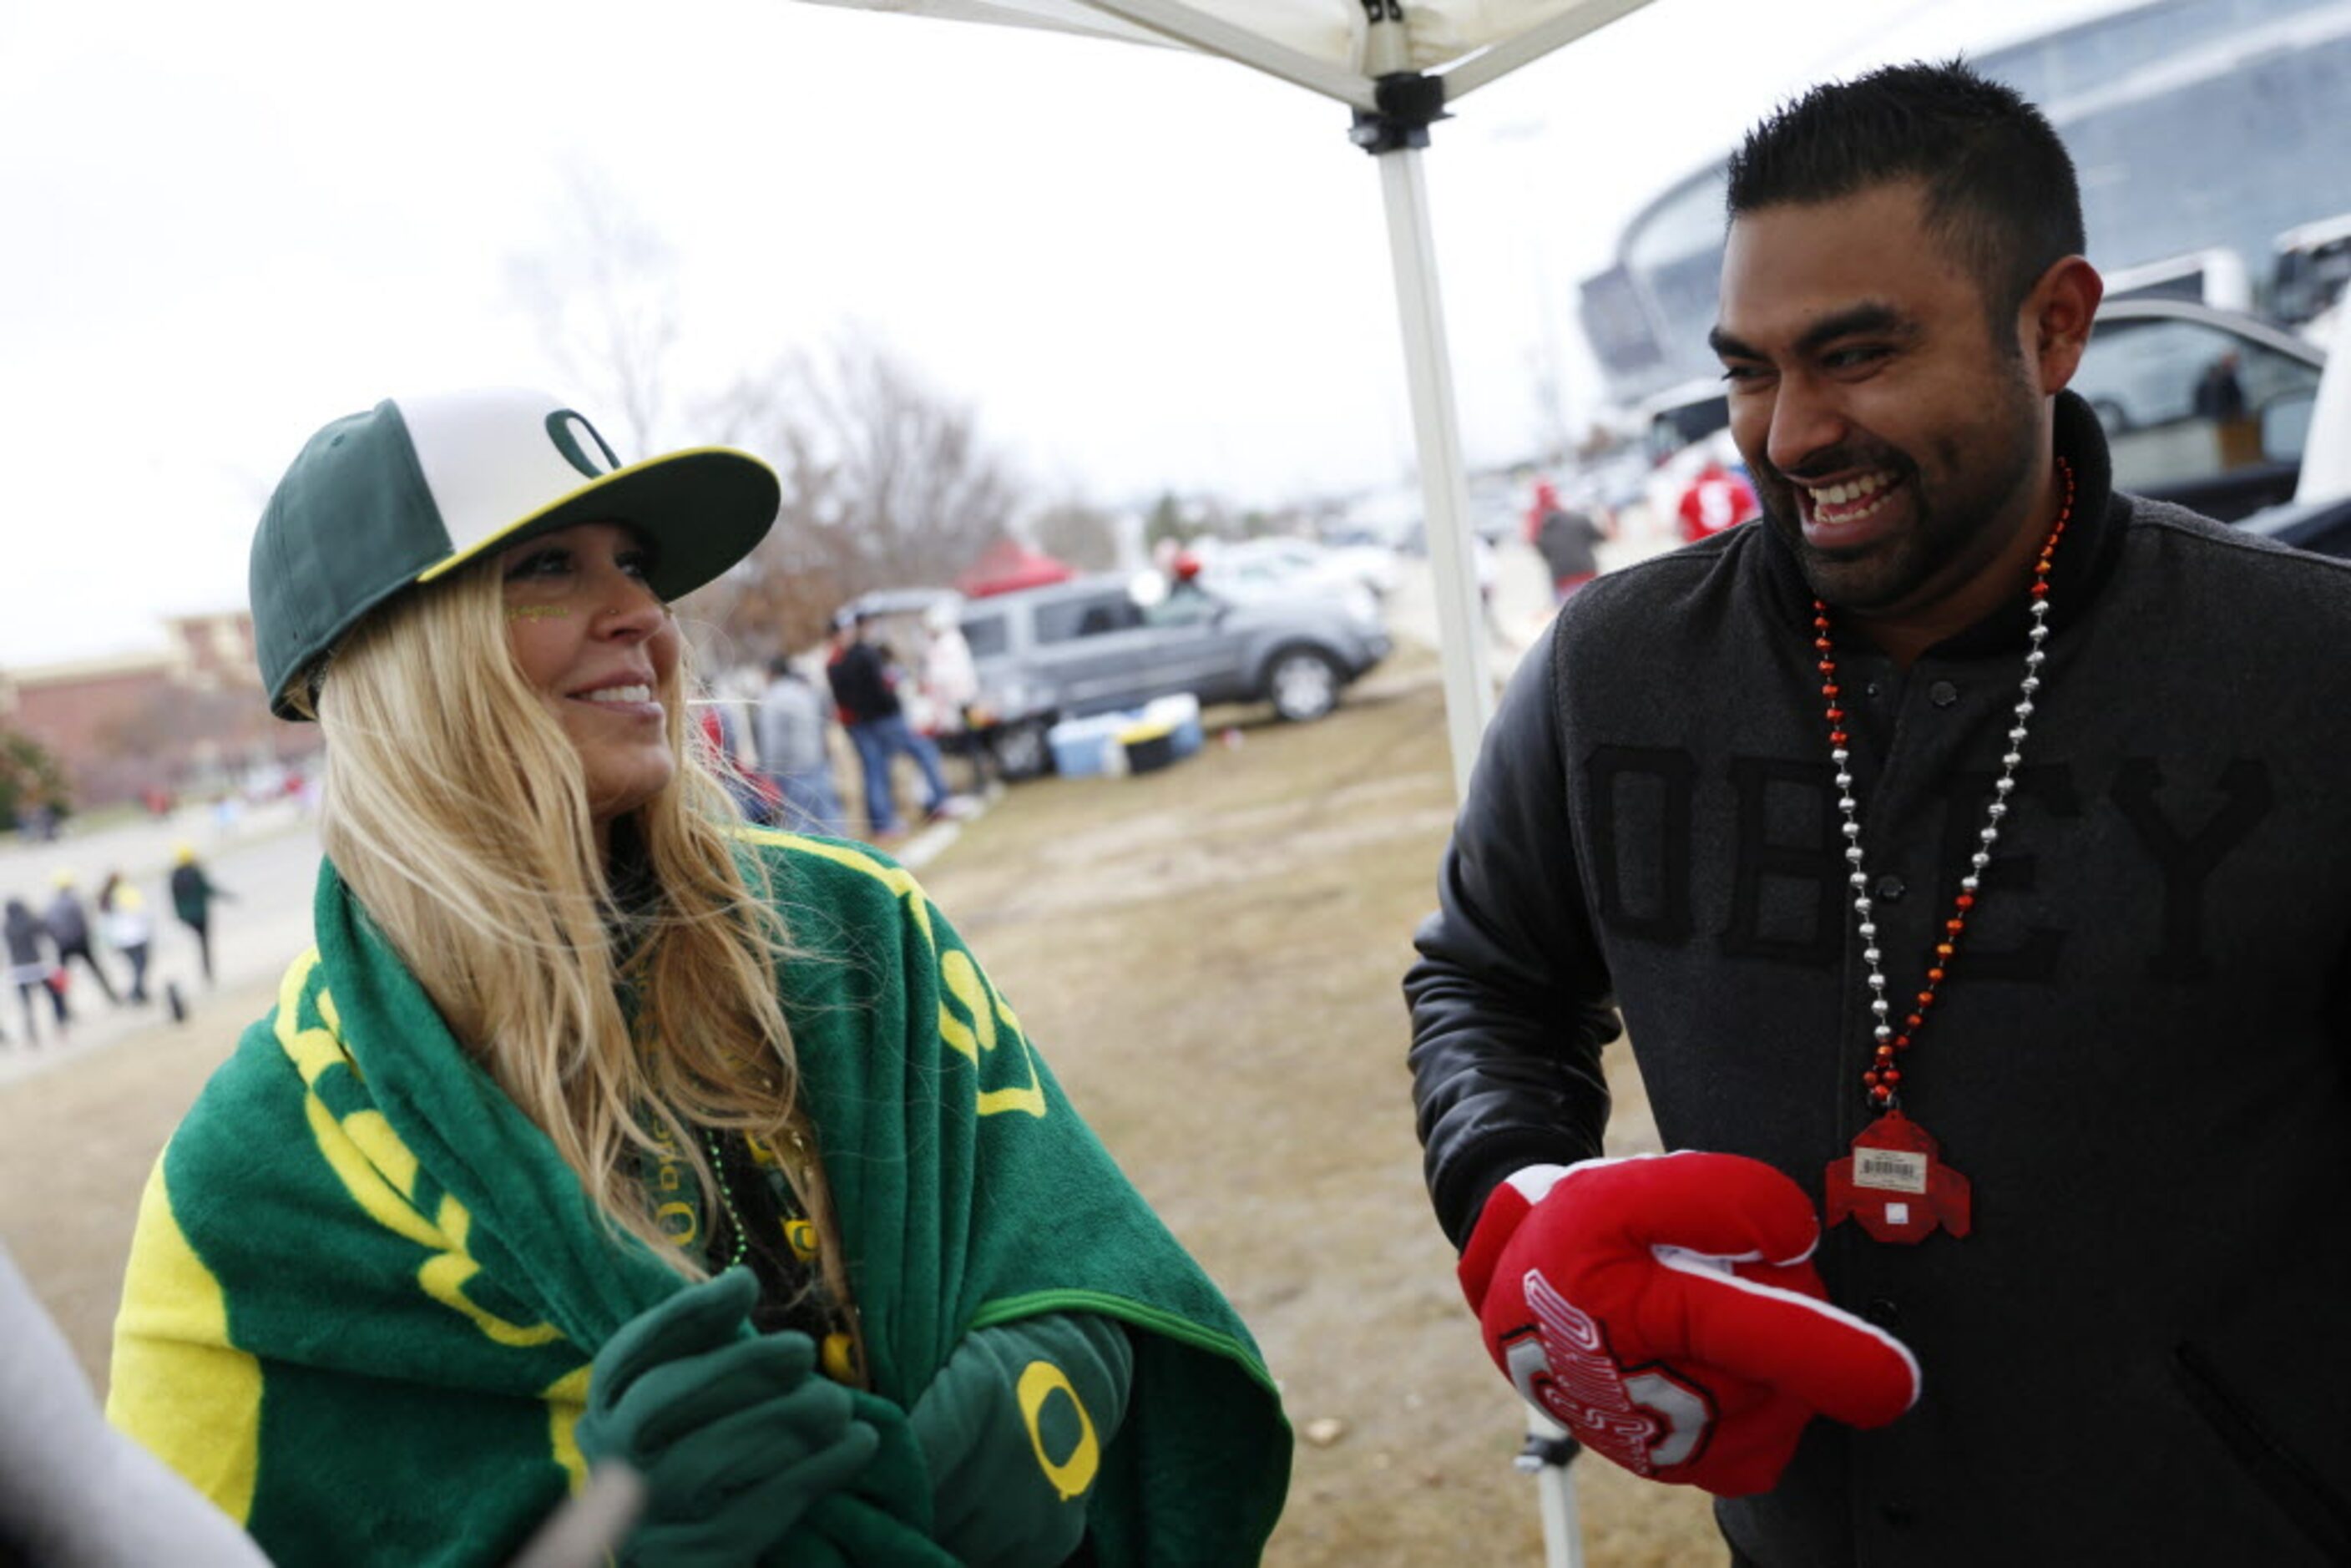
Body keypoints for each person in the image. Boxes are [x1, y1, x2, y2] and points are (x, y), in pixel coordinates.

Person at [1407, 62, 2351, 1565]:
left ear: (2053, 326)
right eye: (1748, 368)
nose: (1787, 434)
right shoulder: (1612, 670)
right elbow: (1487, 979)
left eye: (1853, 355)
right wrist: (1519, 1197)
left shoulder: (2309, 672)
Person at [107, 387, 1289, 1566]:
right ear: (395, 658)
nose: (642, 614)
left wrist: (1010, 1409)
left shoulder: (853, 924)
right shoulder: (252, 1177)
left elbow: (1087, 1258)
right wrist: (604, 1546)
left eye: (638, 563)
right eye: (550, 568)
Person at [826, 609, 954, 840]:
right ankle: (936, 802)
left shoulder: (844, 658)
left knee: (877, 770)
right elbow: (872, 691)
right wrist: (889, 703)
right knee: (917, 753)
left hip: (866, 723)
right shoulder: (852, 657)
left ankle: (886, 821)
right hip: (878, 721)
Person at [754, 653, 847, 834]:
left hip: (792, 771)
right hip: (817, 762)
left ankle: (819, 861)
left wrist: (770, 772)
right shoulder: (804, 691)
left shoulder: (772, 699)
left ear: (771, 674)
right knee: (829, 815)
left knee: (802, 822)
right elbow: (822, 724)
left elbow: (772, 741)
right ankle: (845, 854)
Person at [43, 872, 119, 1006]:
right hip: (80, 942)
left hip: (63, 945)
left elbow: (48, 926)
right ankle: (112, 996)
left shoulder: (52, 905)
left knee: (63, 977)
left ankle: (62, 1009)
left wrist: (57, 940)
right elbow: (83, 922)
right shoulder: (74, 901)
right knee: (97, 971)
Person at [1527, 481, 1609, 604]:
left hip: (1562, 582)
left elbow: (1543, 554)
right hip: (1588, 575)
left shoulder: (1540, 529)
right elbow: (1602, 537)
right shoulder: (1577, 519)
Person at [167, 844, 230, 985]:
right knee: (204, 943)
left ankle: (206, 972)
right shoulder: (195, 872)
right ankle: (207, 971)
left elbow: (173, 897)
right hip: (200, 915)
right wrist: (227, 896)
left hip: (186, 917)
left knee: (201, 942)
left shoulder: (174, 875)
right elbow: (207, 888)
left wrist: (179, 915)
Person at [3, 898, 64, 1044]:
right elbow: (47, 931)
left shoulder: (6, 927)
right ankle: (60, 1023)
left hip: (19, 971)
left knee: (26, 1004)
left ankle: (31, 1033)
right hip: (36, 967)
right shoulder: (29, 922)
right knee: (54, 996)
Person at [97, 871, 153, 1004]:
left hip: (120, 940)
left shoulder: (106, 898)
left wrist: (109, 941)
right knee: (141, 965)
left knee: (136, 966)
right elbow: (141, 912)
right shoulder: (126, 892)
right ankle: (135, 992)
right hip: (136, 936)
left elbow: (104, 923)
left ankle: (140, 992)